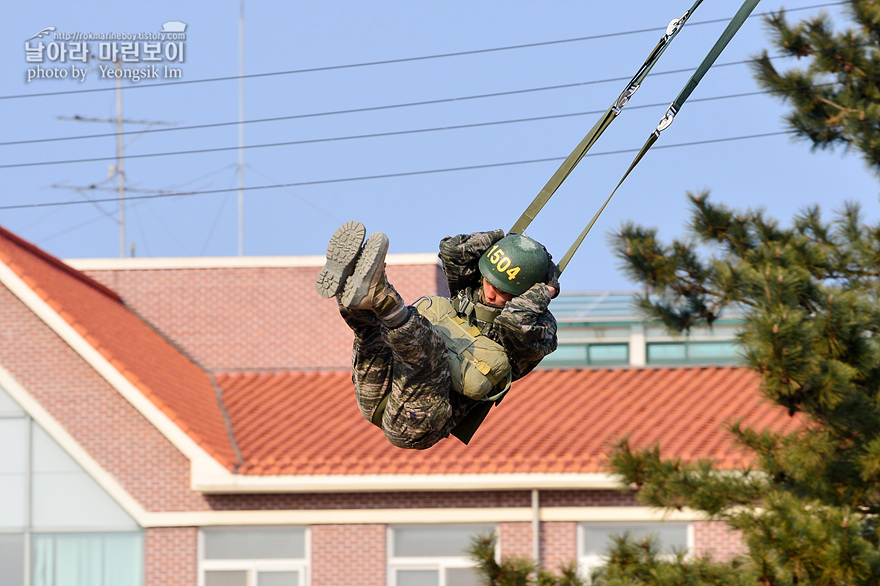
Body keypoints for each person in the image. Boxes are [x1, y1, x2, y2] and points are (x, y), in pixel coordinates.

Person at [316, 221, 559, 449]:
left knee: (427, 344)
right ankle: (353, 284)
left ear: (525, 293)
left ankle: (382, 297)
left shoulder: (540, 331)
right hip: (376, 392)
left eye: (502, 291)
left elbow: (516, 321)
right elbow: (452, 250)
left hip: (415, 422)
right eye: (488, 281)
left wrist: (544, 291)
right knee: (370, 330)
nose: (490, 293)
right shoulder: (470, 290)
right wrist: (503, 240)